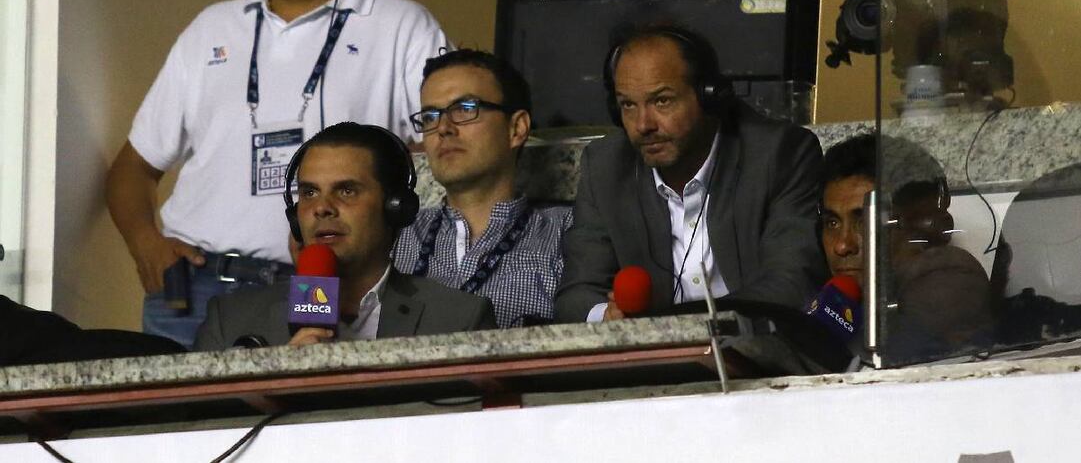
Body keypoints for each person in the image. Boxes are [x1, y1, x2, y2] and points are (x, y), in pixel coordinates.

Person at [106, 0, 450, 348]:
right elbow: (132, 170)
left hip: (323, 279)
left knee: (309, 422)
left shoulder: (402, 25)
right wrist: (146, 245)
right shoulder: (212, 28)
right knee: (182, 426)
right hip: (195, 290)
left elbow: (446, 150)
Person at [554, 23, 827, 323]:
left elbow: (791, 286)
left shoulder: (779, 153)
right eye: (628, 105)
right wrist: (605, 315)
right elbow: (576, 296)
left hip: (759, 357)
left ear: (709, 96)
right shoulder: (606, 166)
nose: (643, 124)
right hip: (653, 363)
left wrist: (669, 324)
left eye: (662, 101)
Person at [194, 123, 495, 351]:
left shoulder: (459, 320)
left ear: (394, 208)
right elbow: (198, 431)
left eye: (346, 191)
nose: (322, 208)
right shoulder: (230, 320)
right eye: (309, 192)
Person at [393, 50, 569, 328]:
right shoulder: (392, 239)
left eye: (464, 109)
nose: (443, 128)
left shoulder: (566, 235)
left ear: (517, 128)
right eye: (430, 116)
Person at [819, 133, 994, 358]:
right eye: (832, 223)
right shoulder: (833, 299)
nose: (842, 246)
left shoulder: (949, 275)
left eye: (864, 222)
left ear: (917, 224)